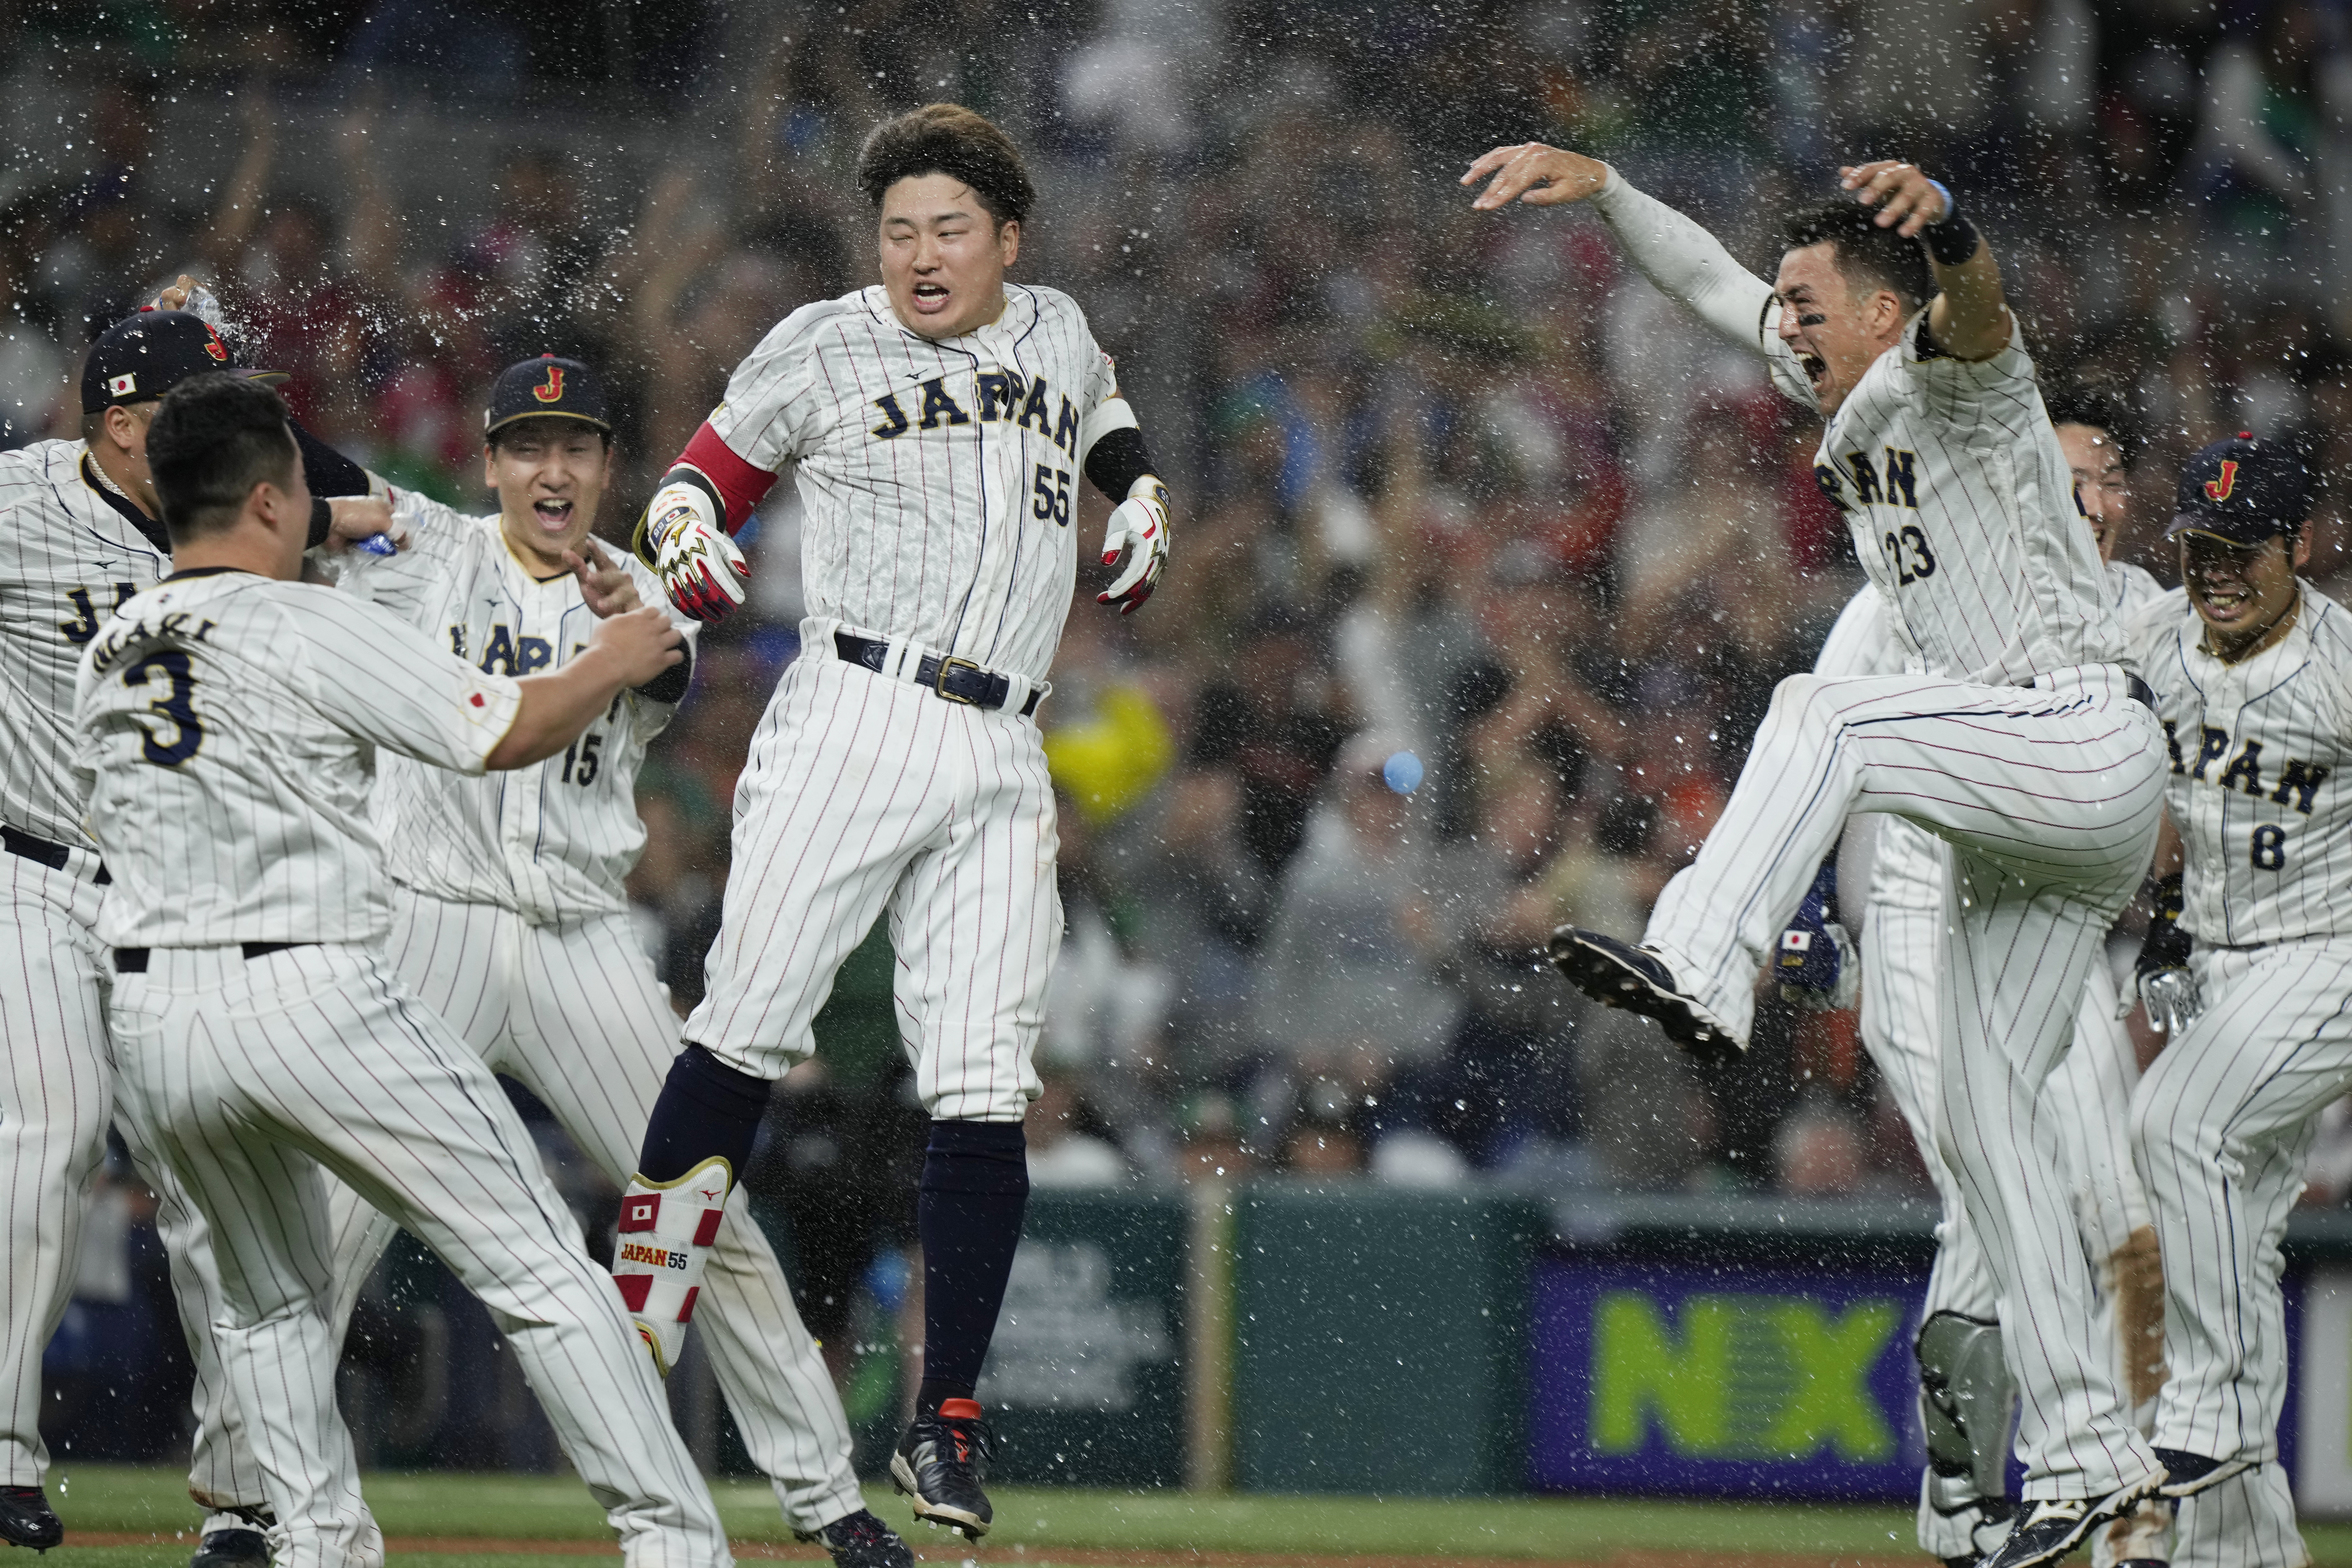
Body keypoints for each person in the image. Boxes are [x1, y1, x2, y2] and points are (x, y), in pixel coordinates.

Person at [1465, 143, 2169, 1567]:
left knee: (1819, 707)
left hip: (2073, 743)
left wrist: (1956, 229)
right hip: (2013, 814)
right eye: (1787, 305)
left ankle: (1703, 964)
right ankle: (2095, 1459)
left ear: (1881, 311)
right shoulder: (1831, 378)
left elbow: (1973, 308)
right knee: (1986, 1133)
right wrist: (1603, 188)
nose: (1780, 323)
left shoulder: (1954, 376)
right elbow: (1711, 282)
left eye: (1808, 301)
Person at [613, 102, 1173, 1541]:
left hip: (1005, 743)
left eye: (951, 230)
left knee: (985, 1084)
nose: (921, 254)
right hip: (858, 705)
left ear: (1009, 240)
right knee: (747, 1023)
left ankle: (947, 1424)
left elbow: (1105, 410)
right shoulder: (824, 338)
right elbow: (703, 473)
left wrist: (1143, 486)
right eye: (901, 229)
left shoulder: (1056, 326)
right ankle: (635, 1324)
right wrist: (684, 526)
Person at [71, 371, 724, 1568]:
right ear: (273, 503)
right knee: (538, 1263)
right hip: (307, 994)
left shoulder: (109, 647)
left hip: (156, 1025)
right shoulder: (314, 624)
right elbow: (503, 731)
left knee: (266, 1303)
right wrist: (621, 651)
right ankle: (678, 1544)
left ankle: (317, 1543)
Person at [314, 354, 909, 1568]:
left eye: (575, 447)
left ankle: (825, 1497)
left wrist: (621, 619)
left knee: (700, 1205)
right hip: (431, 919)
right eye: (528, 446)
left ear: (604, 470)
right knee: (326, 1226)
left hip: (583, 940)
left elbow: (674, 665)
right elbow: (294, 485)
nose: (552, 468)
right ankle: (242, 1496)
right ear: (491, 465)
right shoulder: (427, 544)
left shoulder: (645, 593)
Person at [0, 302, 391, 1563]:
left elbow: (361, 498)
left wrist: (360, 513)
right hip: (38, 878)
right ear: (120, 427)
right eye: (190, 410)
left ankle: (244, 1496)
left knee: (223, 1192)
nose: (231, 430)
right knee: (47, 1139)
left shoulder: (237, 508)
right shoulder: (17, 502)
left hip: (186, 899)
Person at [1782, 389, 2170, 1567]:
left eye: (2098, 477)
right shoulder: (1911, 588)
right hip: (1913, 919)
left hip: (2059, 942)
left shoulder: (2143, 610)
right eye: (2054, 476)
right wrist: (1802, 912)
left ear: (2123, 496)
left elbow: (2199, 774)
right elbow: (1806, 736)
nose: (2077, 500)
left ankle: (2105, 1504)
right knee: (2014, 1204)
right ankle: (1993, 1487)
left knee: (2120, 1221)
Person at [2127, 433, 2352, 1568]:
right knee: (2240, 1246)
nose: (2216, 569)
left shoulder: (2344, 666)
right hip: (2223, 968)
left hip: (2333, 952)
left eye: (2242, 548)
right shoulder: (2158, 641)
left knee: (2177, 1123)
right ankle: (2244, 1548)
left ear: (2301, 546)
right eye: (2200, 545)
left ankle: (2204, 1411)